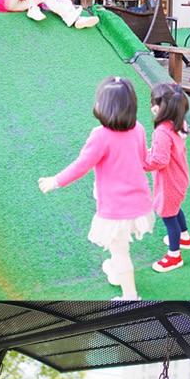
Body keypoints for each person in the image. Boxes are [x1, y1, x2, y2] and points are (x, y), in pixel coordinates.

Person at [39, 77, 155, 300]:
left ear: (103, 106)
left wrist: (56, 180)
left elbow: (82, 165)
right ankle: (115, 271)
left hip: (116, 208)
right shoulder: (138, 129)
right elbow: (141, 158)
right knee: (118, 249)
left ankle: (130, 294)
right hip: (139, 202)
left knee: (121, 251)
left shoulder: (100, 135)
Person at [143, 83, 190, 271]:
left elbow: (159, 161)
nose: (152, 107)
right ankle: (185, 238)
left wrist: (142, 162)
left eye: (155, 103)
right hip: (180, 176)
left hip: (169, 181)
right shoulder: (179, 122)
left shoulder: (162, 131)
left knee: (168, 215)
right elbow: (167, 151)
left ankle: (174, 256)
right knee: (176, 208)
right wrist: (153, 151)